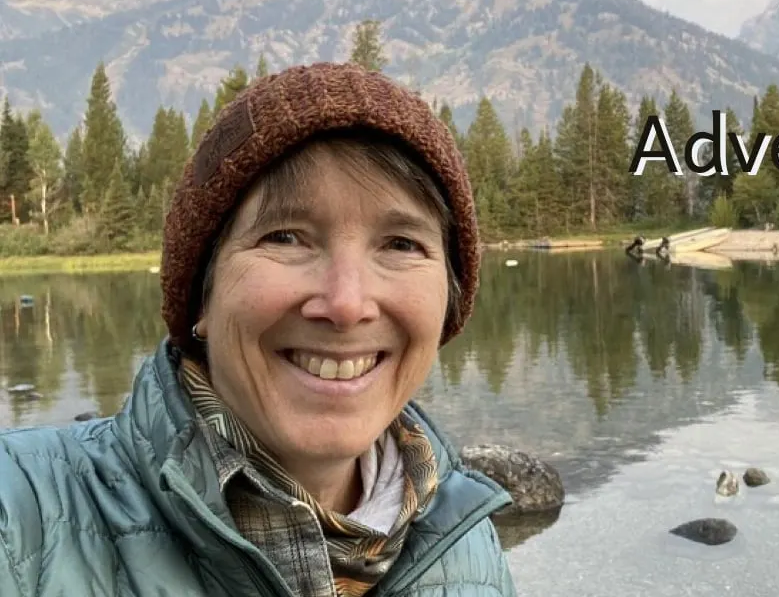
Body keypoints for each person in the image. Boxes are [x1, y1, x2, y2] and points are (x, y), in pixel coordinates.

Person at [0, 62, 518, 596]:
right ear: (203, 292)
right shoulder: (19, 513)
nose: (346, 303)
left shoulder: (465, 539)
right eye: (286, 237)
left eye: (402, 244)